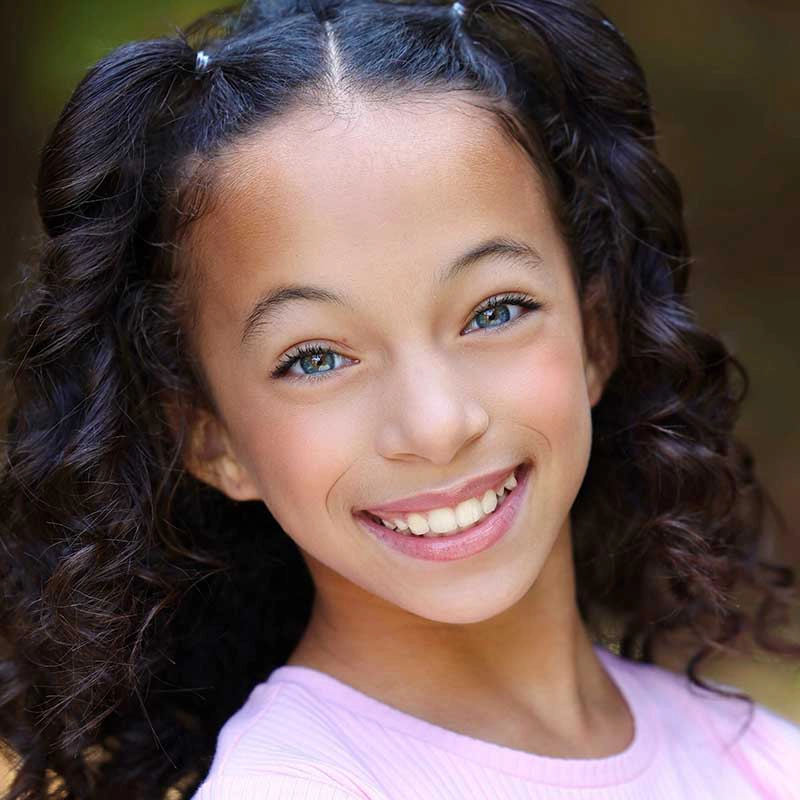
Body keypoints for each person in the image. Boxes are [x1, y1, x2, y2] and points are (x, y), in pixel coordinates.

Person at [0, 0, 798, 797]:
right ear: (212, 439)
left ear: (596, 336)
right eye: (314, 358)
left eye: (495, 311)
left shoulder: (756, 757)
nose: (437, 424)